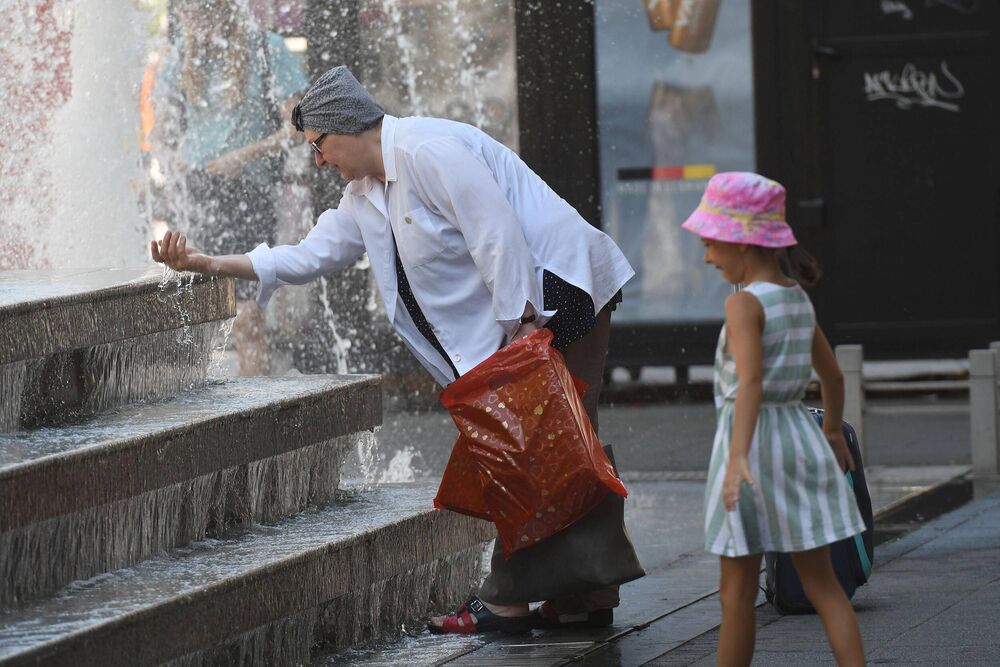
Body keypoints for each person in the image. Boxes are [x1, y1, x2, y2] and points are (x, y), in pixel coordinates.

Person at [151, 65, 643, 633]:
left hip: (561, 289)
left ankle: (509, 600)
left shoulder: (426, 148)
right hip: (529, 309)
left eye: (319, 146)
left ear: (347, 127)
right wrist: (207, 263)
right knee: (554, 439)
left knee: (535, 443)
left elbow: (496, 232)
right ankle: (588, 590)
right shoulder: (364, 194)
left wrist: (522, 324)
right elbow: (307, 257)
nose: (318, 161)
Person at [681, 172, 867, 666]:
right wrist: (831, 432)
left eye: (710, 243)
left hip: (753, 449)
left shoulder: (742, 303)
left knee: (736, 594)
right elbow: (832, 376)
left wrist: (739, 456)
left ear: (740, 242)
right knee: (825, 587)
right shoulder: (796, 299)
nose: (706, 256)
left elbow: (750, 384)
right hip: (799, 445)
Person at [150, 0, 308, 375]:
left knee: (246, 318)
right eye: (189, 14)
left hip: (247, 197)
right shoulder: (178, 59)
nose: (197, 22)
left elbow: (298, 128)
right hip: (196, 196)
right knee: (191, 324)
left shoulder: (267, 50)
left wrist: (243, 156)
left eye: (205, 12)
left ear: (226, 10)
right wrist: (167, 147)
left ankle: (259, 421)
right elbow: (163, 129)